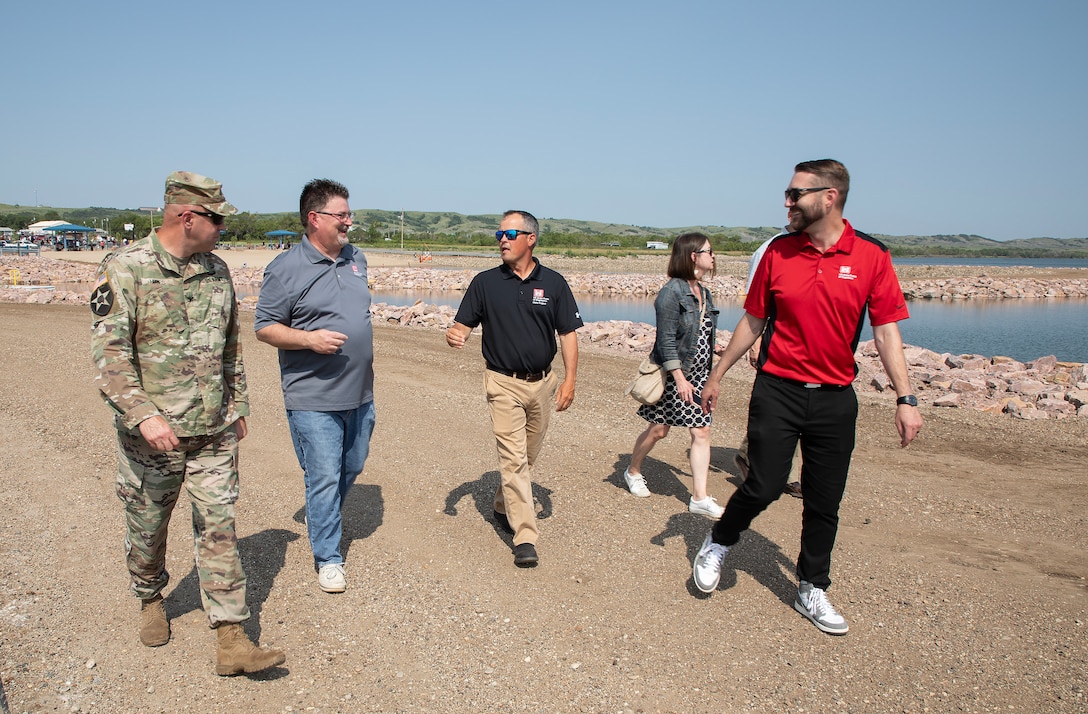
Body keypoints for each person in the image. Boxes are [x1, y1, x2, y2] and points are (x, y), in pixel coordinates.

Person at [694, 160, 923, 635]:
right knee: (763, 484)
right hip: (777, 389)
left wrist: (907, 398)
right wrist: (717, 375)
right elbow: (754, 320)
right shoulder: (779, 252)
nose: (787, 202)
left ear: (829, 197)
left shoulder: (871, 256)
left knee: (825, 499)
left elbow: (886, 333)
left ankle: (811, 587)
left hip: (836, 398)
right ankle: (719, 540)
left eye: (796, 194)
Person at [91, 171, 285, 675]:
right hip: (152, 438)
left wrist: (237, 405)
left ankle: (232, 639)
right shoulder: (126, 269)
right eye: (217, 218)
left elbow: (230, 347)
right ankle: (149, 594)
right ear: (187, 216)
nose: (223, 227)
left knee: (219, 524)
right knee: (148, 526)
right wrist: (144, 415)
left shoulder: (217, 271)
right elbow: (111, 359)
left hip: (212, 431)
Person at [254, 179, 376, 594]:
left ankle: (319, 513)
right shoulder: (285, 269)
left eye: (348, 214)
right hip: (312, 396)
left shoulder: (356, 258)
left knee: (352, 466)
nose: (348, 222)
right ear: (314, 218)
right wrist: (309, 339)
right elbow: (265, 328)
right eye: (341, 215)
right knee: (323, 476)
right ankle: (328, 557)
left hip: (360, 393)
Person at [445, 210, 582, 567]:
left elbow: (567, 333)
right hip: (502, 383)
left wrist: (569, 379)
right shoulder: (485, 283)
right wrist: (455, 335)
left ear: (530, 239)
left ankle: (503, 502)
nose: (502, 240)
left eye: (509, 233)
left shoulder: (554, 283)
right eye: (499, 234)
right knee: (514, 459)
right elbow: (462, 326)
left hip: (542, 384)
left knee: (527, 456)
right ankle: (524, 536)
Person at [623, 232, 724, 519]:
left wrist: (715, 348)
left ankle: (700, 497)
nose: (713, 255)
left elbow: (699, 332)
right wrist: (680, 378)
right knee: (659, 429)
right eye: (709, 250)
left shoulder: (704, 292)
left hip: (700, 374)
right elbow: (666, 341)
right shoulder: (672, 292)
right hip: (675, 376)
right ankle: (632, 471)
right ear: (693, 255)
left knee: (701, 431)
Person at [734, 229, 803, 498]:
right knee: (775, 404)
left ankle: (780, 471)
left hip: (798, 345)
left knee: (797, 405)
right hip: (775, 342)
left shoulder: (811, 247)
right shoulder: (771, 248)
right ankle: (750, 459)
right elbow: (755, 301)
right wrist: (755, 342)